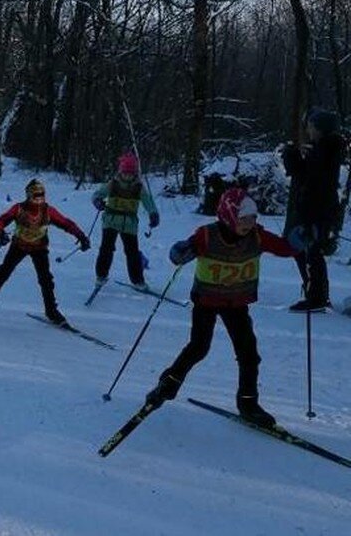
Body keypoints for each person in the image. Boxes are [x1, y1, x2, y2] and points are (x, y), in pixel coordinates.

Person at [144, 188, 303, 427]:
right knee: (199, 347)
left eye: (252, 218)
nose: (249, 223)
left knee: (249, 353)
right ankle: (167, 385)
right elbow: (182, 252)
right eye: (243, 218)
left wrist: (297, 243)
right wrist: (180, 253)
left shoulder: (257, 237)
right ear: (228, 216)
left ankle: (248, 403)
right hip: (206, 301)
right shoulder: (207, 235)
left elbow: (284, 248)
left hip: (236, 304)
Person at [0, 179, 90, 327]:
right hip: (19, 245)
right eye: (35, 196)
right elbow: (0, 220)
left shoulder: (48, 211)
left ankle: (52, 311)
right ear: (28, 195)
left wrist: (81, 236)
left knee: (46, 280)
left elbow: (66, 223)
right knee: (2, 274)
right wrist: (0, 233)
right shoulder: (19, 209)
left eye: (42, 195)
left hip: (39, 248)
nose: (39, 199)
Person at [281, 109, 346, 311]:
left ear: (320, 128)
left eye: (311, 125)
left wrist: (293, 158)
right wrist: (293, 157)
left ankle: (316, 296)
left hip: (316, 211)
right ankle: (315, 292)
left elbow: (312, 181)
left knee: (310, 251)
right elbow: (304, 175)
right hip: (316, 210)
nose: (308, 129)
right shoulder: (322, 149)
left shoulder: (325, 151)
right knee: (306, 250)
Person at [92, 152, 159, 289]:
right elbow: (97, 194)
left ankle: (137, 281)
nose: (127, 176)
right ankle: (101, 276)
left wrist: (153, 214)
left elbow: (148, 202)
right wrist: (98, 202)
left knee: (132, 252)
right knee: (106, 249)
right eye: (125, 173)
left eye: (130, 173)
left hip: (129, 224)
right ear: (120, 171)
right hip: (110, 221)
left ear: (135, 173)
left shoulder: (139, 187)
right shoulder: (113, 184)